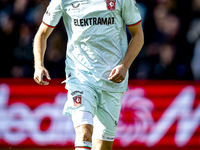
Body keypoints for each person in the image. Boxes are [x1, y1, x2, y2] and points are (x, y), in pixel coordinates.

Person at [33, 0, 144, 150]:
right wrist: (39, 65)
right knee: (84, 133)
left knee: (102, 146)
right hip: (80, 77)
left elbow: (138, 35)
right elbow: (42, 33)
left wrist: (124, 65)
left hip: (112, 81)